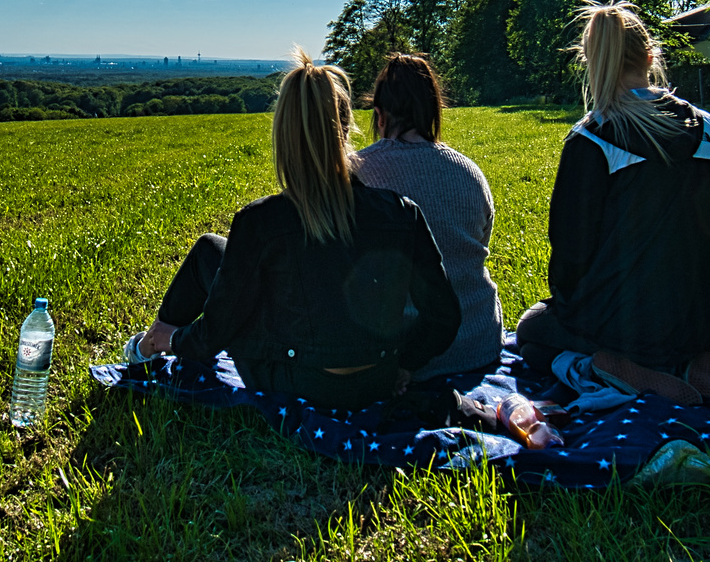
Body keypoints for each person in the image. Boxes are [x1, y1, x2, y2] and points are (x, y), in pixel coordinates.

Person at [125, 48, 461, 409]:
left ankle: (149, 345)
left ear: (282, 134)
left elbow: (214, 335)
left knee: (209, 251)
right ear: (346, 128)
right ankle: (153, 341)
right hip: (376, 381)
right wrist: (403, 364)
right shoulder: (400, 213)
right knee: (213, 250)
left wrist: (172, 341)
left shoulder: (261, 222)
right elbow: (444, 317)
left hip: (294, 380)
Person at [515, 0, 710, 405]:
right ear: (650, 56)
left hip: (623, 323)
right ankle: (699, 353)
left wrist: (565, 306)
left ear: (591, 62)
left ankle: (611, 367)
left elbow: (570, 252)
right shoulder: (709, 129)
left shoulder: (593, 138)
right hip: (700, 312)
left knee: (532, 332)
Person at [354, 54, 505, 380]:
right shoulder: (470, 173)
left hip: (397, 356)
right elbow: (479, 244)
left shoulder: (356, 173)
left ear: (379, 115)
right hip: (478, 345)